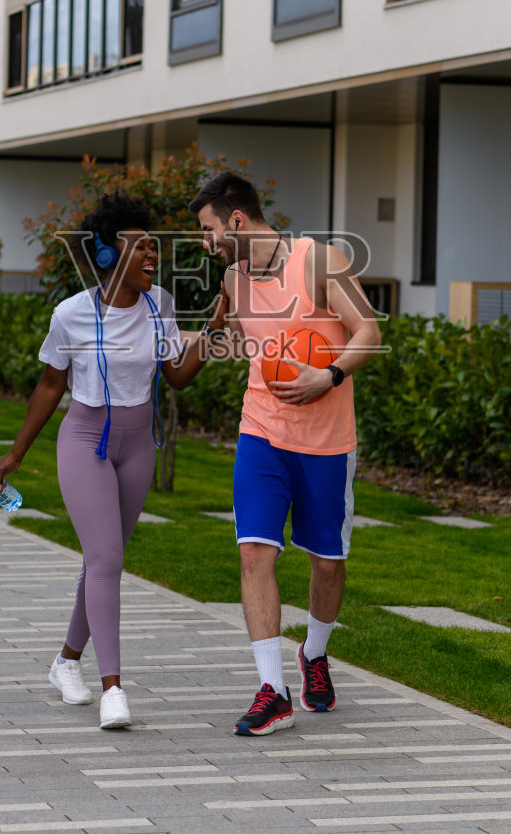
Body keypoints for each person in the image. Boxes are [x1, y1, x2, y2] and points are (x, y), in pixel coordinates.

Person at [0, 193, 207, 730]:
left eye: (155, 247)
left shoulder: (162, 305)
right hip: (86, 438)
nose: (153, 256)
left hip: (138, 444)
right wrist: (17, 453)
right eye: (140, 248)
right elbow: (49, 384)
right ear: (108, 256)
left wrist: (219, 323)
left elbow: (176, 376)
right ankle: (113, 688)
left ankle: (66, 661)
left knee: (101, 561)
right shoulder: (71, 314)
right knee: (107, 558)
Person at [189, 171, 382, 736]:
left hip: (325, 440)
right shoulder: (232, 277)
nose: (205, 242)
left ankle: (314, 655)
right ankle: (272, 690)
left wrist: (329, 374)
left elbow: (367, 331)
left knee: (327, 563)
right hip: (261, 431)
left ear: (237, 221)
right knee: (255, 553)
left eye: (207, 230)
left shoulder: (319, 262)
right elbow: (228, 336)